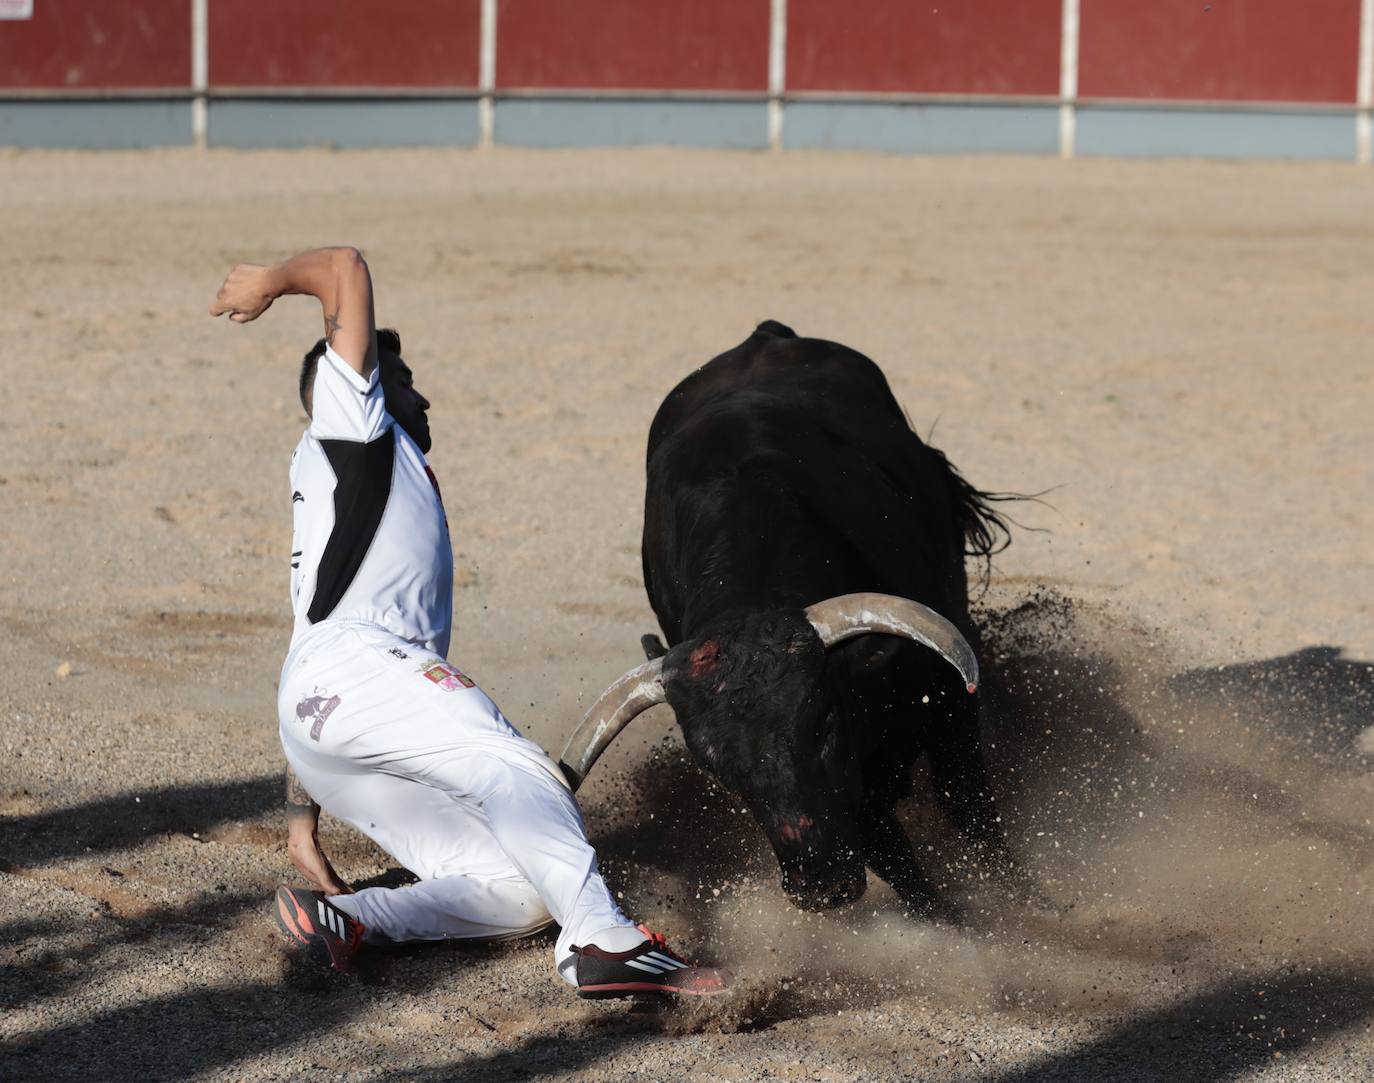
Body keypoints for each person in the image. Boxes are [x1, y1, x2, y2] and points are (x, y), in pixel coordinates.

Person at [208, 246, 729, 999]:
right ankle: (602, 938)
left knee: (518, 886)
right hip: (352, 670)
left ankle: (352, 919)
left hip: (331, 710)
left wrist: (301, 816)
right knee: (515, 769)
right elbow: (346, 268)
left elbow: (338, 673)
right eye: (406, 382)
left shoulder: (355, 466)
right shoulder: (355, 425)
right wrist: (274, 282)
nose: (422, 398)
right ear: (358, 384)